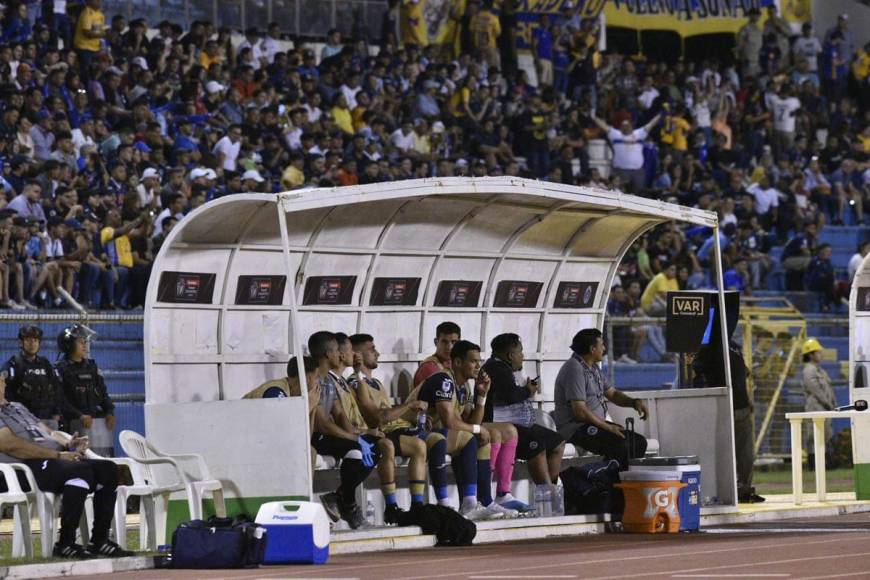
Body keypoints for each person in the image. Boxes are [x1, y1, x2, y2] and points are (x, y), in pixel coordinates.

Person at [0, 372, 132, 558]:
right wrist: (57, 454)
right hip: (26, 466)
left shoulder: (17, 407)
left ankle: (99, 540)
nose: (0, 385)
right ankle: (65, 543)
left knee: (108, 469)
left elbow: (49, 433)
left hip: (52, 459)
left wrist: (68, 444)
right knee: (80, 470)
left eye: (0, 381)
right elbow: (10, 445)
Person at [411, 339, 515, 520]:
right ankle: (461, 503)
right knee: (470, 437)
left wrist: (482, 395)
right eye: (473, 361)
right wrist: (477, 429)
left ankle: (485, 501)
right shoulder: (444, 380)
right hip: (412, 430)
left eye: (479, 361)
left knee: (481, 439)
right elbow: (450, 422)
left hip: (436, 432)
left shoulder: (464, 386)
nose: (478, 366)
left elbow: (472, 420)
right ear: (458, 362)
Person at [347, 333, 429, 523]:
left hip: (389, 431)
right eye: (372, 349)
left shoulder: (375, 382)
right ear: (358, 355)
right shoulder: (355, 381)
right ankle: (391, 506)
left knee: (419, 446)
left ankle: (417, 505)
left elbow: (389, 413)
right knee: (387, 446)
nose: (377, 353)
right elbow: (378, 417)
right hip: (371, 433)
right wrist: (408, 406)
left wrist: (414, 415)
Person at [307, 331, 379, 530]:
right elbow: (321, 423)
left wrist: (358, 437)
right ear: (328, 354)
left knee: (374, 448)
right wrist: (353, 438)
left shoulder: (330, 381)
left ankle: (339, 497)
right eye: (337, 351)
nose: (340, 355)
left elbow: (339, 414)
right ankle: (348, 504)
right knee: (356, 450)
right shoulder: (314, 380)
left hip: (327, 435)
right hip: (314, 436)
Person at [553, 329, 649, 469]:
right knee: (620, 445)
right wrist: (608, 426)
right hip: (576, 429)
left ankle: (625, 482)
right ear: (592, 349)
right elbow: (580, 411)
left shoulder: (593, 368)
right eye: (602, 344)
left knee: (639, 442)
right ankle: (609, 484)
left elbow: (613, 394)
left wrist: (633, 402)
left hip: (595, 425)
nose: (604, 348)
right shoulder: (574, 369)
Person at [482, 333, 565, 489]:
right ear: (510, 355)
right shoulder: (496, 367)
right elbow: (511, 395)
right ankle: (546, 493)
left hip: (519, 424)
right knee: (536, 446)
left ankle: (552, 489)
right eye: (520, 352)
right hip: (502, 427)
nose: (523, 356)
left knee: (558, 442)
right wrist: (528, 391)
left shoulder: (506, 367)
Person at [693, 340, 764, 503]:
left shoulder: (723, 347)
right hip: (728, 406)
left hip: (735, 406)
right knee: (731, 452)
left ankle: (740, 490)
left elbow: (743, 376)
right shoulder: (721, 349)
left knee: (742, 453)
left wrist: (749, 399)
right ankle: (732, 491)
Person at [55, 325, 116, 456]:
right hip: (72, 425)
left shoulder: (91, 366)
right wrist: (79, 415)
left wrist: (109, 412)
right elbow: (60, 400)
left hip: (95, 425)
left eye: (85, 342)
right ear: (69, 345)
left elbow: (103, 392)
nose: (84, 345)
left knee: (104, 458)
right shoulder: (60, 368)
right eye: (80, 342)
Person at [1, 325, 65, 428]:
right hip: (24, 421)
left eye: (35, 340)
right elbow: (6, 394)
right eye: (28, 340)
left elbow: (56, 388)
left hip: (47, 418)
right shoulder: (13, 365)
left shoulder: (45, 364)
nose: (32, 343)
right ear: (21, 342)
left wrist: (56, 411)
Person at [590, 113, 662, 194]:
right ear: (621, 127)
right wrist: (594, 117)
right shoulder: (616, 134)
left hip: (637, 172)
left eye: (627, 125)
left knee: (639, 194)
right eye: (623, 125)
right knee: (620, 193)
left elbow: (651, 124)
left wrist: (660, 115)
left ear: (631, 126)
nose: (625, 127)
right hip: (621, 171)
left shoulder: (638, 134)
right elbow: (604, 126)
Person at [801, 338, 837, 468]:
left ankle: (823, 462)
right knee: (814, 436)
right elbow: (816, 390)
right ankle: (814, 464)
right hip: (815, 406)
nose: (821, 355)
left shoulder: (820, 370)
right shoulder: (809, 370)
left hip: (824, 407)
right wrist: (828, 403)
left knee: (824, 435)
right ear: (811, 354)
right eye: (818, 352)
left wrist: (831, 403)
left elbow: (828, 389)